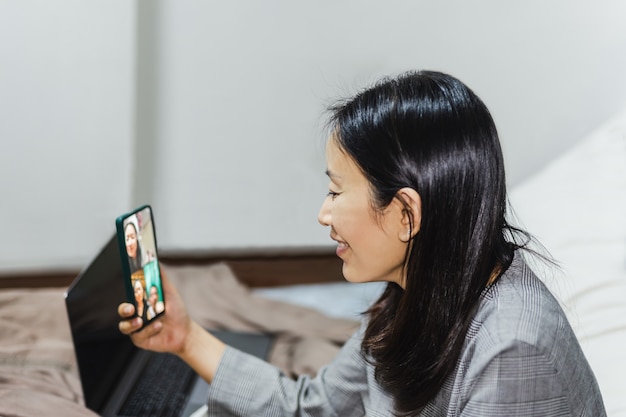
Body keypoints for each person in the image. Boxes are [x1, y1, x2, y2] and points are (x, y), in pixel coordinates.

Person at [118, 70, 606, 416]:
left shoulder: (512, 349)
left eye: (335, 190)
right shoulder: (413, 292)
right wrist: (184, 338)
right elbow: (315, 408)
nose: (323, 213)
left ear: (405, 214)